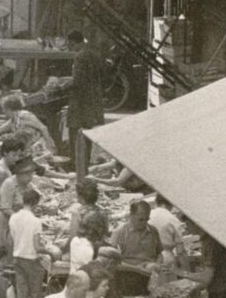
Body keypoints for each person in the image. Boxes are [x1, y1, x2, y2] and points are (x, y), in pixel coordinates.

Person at [66, 31, 104, 168]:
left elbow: (78, 81)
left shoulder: (80, 56)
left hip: (80, 101)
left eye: (71, 45)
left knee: (75, 132)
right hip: (92, 99)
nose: (71, 47)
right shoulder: (93, 54)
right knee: (87, 133)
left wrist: (63, 85)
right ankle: (85, 163)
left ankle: (76, 164)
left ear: (74, 42)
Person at [111, 200, 161, 296]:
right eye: (141, 219)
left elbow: (159, 253)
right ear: (131, 215)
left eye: (147, 219)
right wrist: (136, 269)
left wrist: (157, 265)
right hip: (127, 280)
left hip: (149, 280)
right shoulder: (120, 232)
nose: (144, 223)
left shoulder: (153, 231)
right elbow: (113, 263)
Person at [0, 156, 37, 255]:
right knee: (1, 250)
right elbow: (5, 208)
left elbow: (29, 202)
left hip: (17, 221)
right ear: (18, 174)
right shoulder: (9, 184)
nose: (30, 177)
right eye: (27, 174)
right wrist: (21, 218)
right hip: (4, 220)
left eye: (31, 174)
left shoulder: (28, 185)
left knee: (15, 250)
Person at [10, 188, 46, 298]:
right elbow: (37, 247)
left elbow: (13, 238)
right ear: (34, 203)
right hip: (31, 260)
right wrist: (49, 251)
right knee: (35, 293)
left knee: (22, 292)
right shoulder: (36, 221)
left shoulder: (13, 217)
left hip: (17, 258)